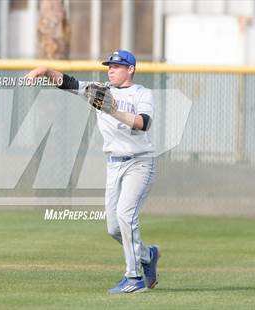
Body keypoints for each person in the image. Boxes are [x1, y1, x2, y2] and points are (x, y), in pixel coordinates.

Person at [24, 50, 160, 294]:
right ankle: (147, 254)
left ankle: (133, 277)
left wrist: (111, 110)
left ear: (131, 69)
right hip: (114, 163)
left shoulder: (142, 93)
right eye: (110, 65)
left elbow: (144, 123)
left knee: (125, 215)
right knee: (113, 227)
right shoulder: (100, 89)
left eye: (118, 66)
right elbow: (69, 83)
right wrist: (45, 71)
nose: (111, 69)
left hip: (140, 163)